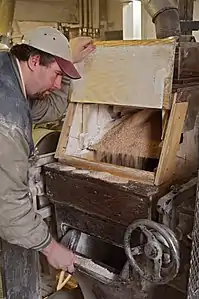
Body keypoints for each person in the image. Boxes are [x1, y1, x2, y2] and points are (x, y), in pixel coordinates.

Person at [0, 26, 95, 274]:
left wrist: (64, 61)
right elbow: (9, 205)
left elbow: (50, 109)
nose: (57, 84)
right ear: (34, 61)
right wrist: (50, 248)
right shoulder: (8, 120)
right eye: (56, 74)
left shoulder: (8, 70)